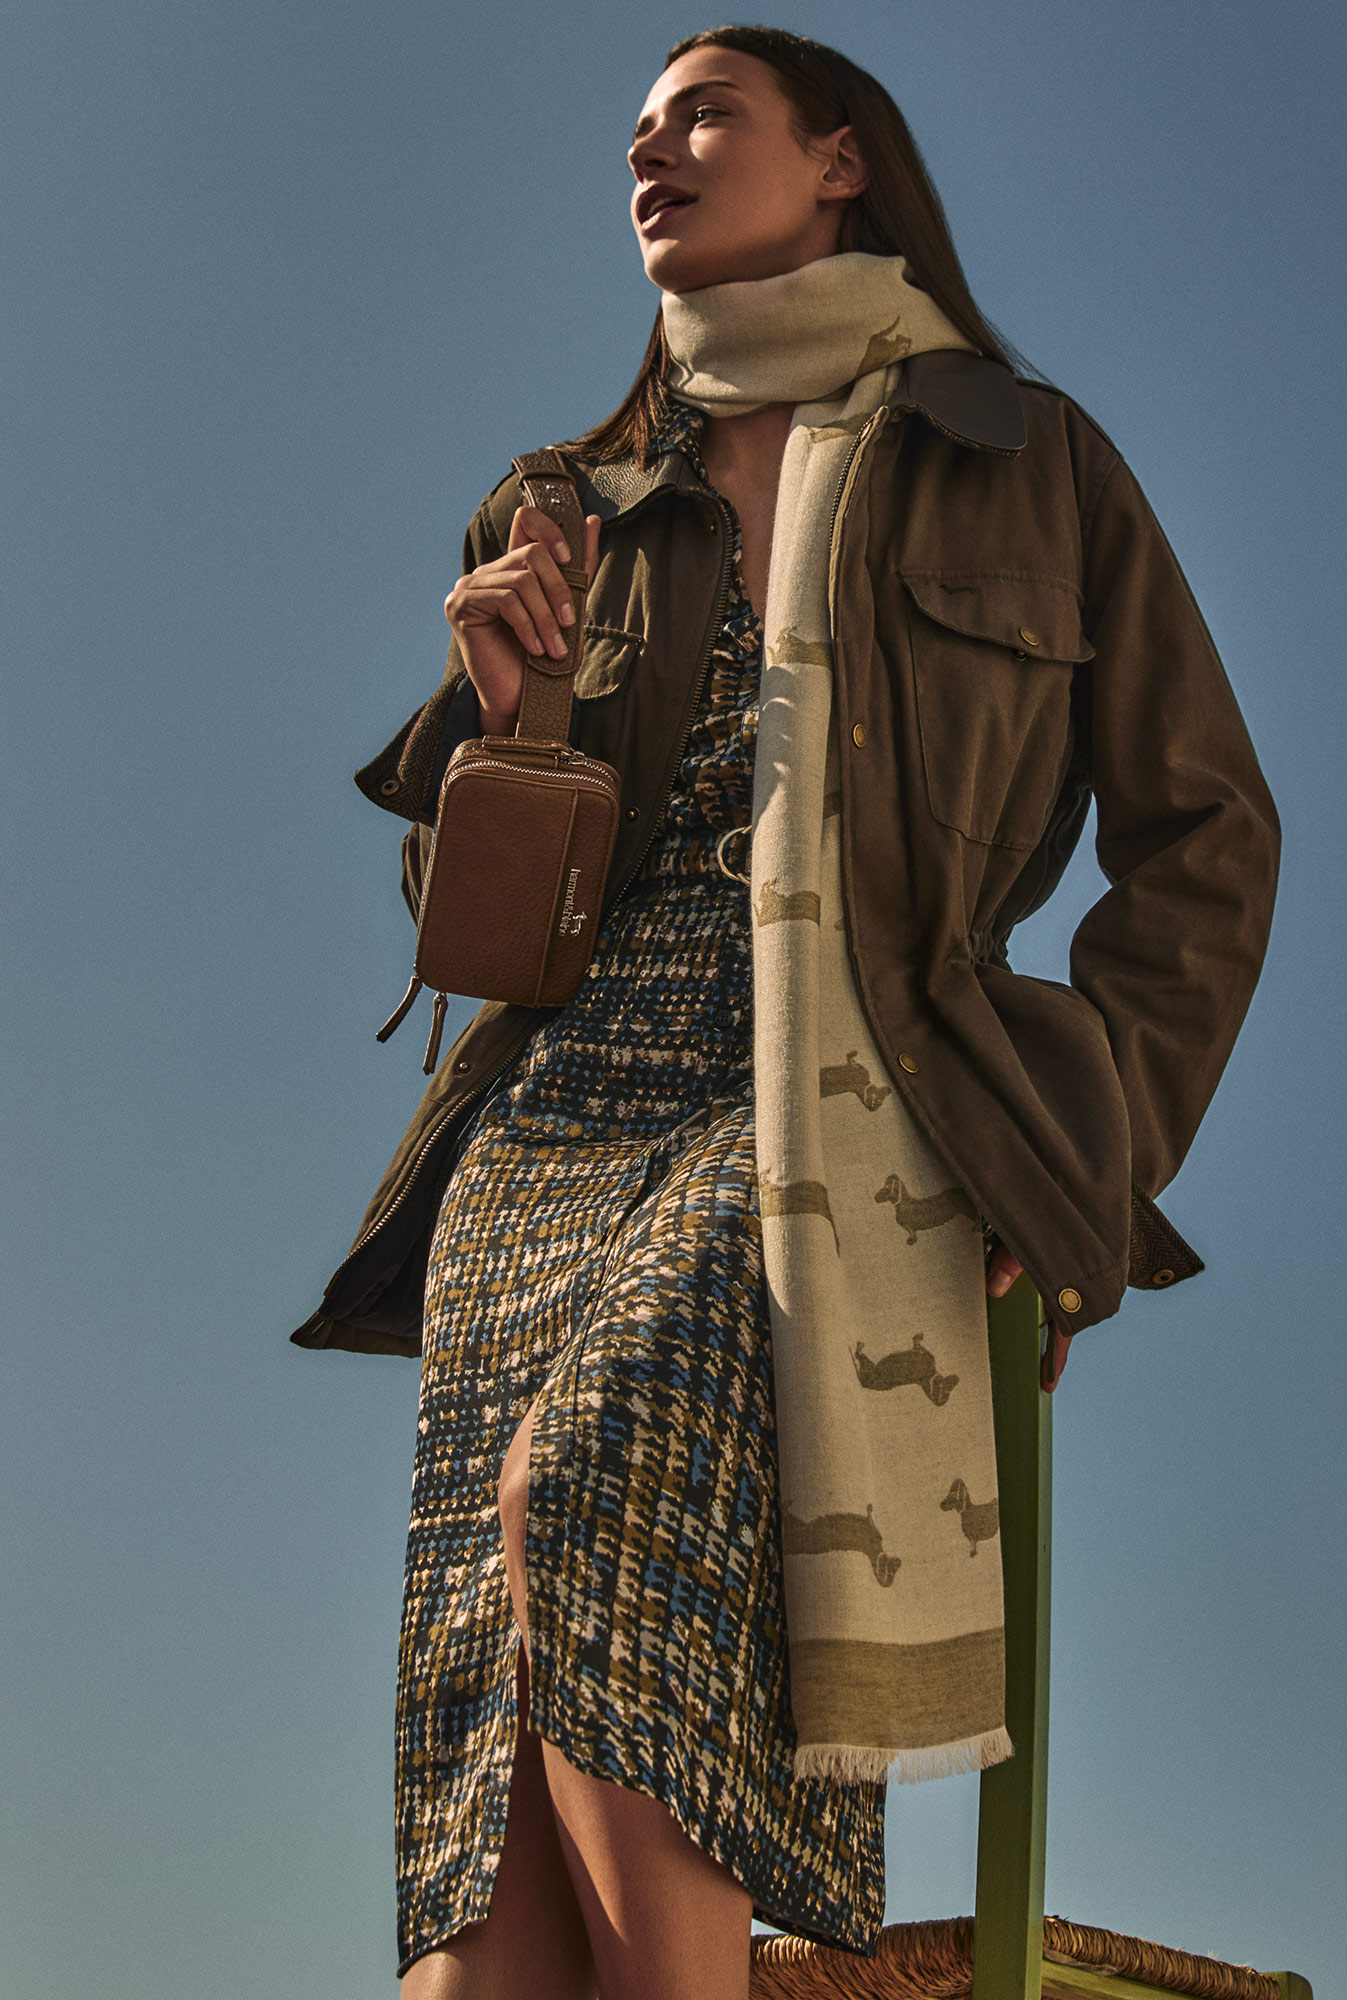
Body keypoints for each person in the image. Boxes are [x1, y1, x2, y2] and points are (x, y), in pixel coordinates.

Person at [293, 24, 1280, 2000]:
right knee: (490, 1749)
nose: (648, 154)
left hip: (841, 1096)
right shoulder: (562, 502)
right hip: (554, 1118)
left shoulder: (1025, 460)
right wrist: (506, 730)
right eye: (633, 134)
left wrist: (1070, 1150)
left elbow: (1205, 837)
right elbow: (474, 942)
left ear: (838, 160)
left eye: (702, 115)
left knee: (574, 1499)